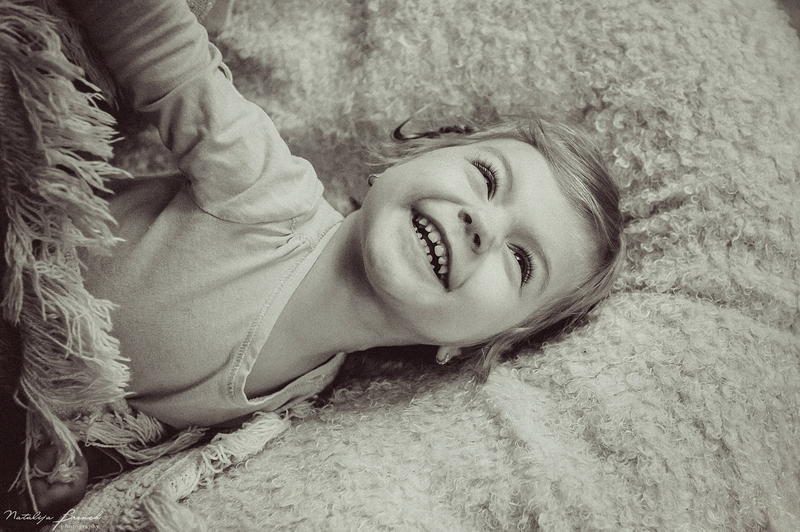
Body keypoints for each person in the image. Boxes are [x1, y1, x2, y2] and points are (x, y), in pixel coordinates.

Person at [13, 0, 624, 516]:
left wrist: (67, 465)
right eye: (487, 178)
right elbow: (163, 51)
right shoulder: (268, 192)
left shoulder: (304, 398)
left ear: (471, 347)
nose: (484, 225)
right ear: (411, 159)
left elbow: (133, 440)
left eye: (520, 262)